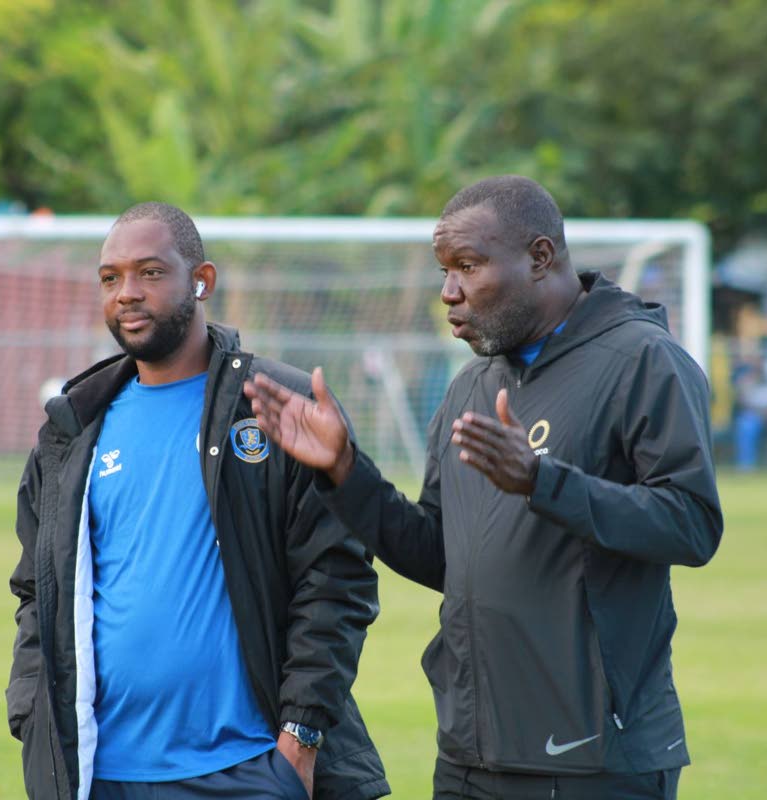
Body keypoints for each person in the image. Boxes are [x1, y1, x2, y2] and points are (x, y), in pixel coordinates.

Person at [245, 176, 724, 800]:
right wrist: (344, 472)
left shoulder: (642, 361)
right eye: (445, 271)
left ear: (540, 257)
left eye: (467, 267)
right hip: (471, 757)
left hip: (591, 761)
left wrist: (542, 481)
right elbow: (445, 556)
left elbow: (691, 524)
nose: (449, 293)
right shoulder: (470, 387)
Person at [6, 202, 389, 800]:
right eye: (111, 278)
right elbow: (38, 590)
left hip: (252, 767)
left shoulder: (274, 405)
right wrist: (32, 713)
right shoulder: (72, 431)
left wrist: (299, 739)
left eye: (151, 273)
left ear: (201, 281)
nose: (127, 293)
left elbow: (336, 577)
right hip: (104, 772)